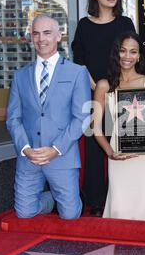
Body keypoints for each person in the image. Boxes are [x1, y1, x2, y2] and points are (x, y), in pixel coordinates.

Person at [6, 14, 91, 219]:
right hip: (30, 157)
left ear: (58, 36)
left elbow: (82, 117)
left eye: (47, 33)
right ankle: (51, 198)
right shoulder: (20, 76)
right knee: (24, 213)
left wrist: (55, 149)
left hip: (61, 155)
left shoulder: (77, 72)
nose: (41, 39)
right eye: (36, 33)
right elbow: (13, 118)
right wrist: (25, 149)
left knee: (70, 215)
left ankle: (69, 198)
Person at [93, 31, 145, 223]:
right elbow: (95, 127)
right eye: (123, 51)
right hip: (118, 154)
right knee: (121, 209)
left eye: (133, 52)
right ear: (116, 53)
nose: (127, 57)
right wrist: (110, 153)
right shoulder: (104, 85)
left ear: (139, 55)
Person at [72, 0, 135, 217]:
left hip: (122, 93)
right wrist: (97, 87)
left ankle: (120, 199)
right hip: (93, 93)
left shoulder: (125, 23)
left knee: (121, 144)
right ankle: (97, 202)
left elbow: (131, 57)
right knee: (96, 148)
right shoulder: (84, 25)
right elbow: (80, 62)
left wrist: (116, 88)